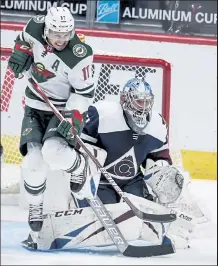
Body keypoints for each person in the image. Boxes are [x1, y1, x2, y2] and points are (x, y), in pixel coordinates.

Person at [8, 6, 95, 232]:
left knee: (53, 152)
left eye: (66, 34)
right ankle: (35, 207)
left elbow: (84, 93)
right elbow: (22, 40)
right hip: (35, 105)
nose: (61, 39)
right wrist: (21, 50)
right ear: (47, 29)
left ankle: (79, 167)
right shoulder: (34, 26)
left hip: (63, 109)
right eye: (56, 34)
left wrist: (74, 116)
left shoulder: (80, 54)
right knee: (34, 162)